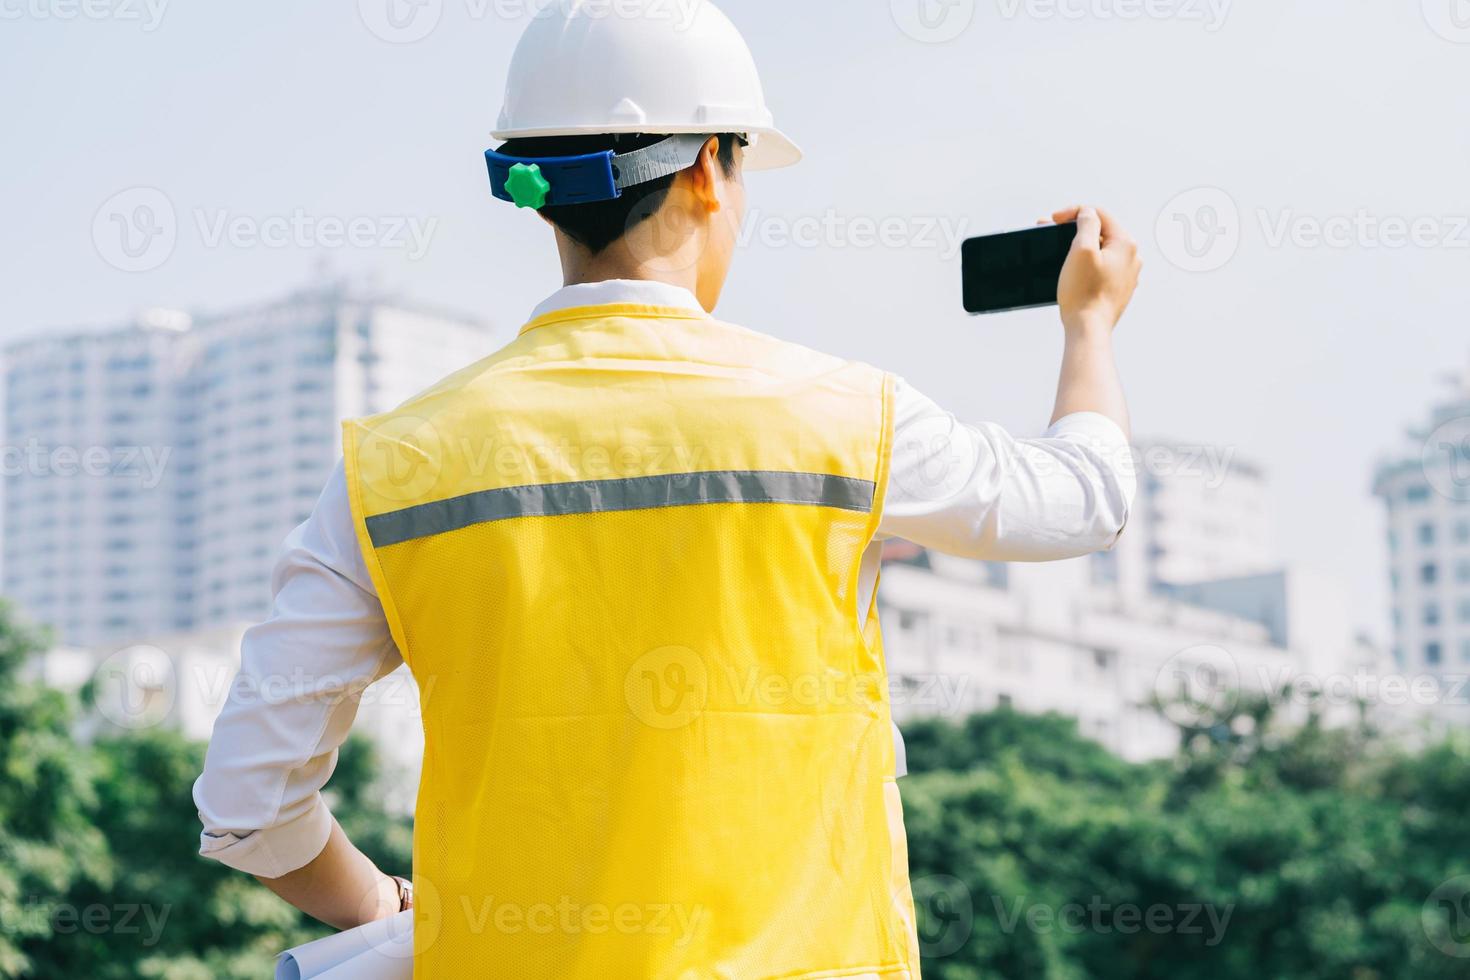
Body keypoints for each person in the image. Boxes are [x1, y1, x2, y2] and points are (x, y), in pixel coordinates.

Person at [194, 2, 1140, 976]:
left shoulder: (395, 465)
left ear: (533, 188)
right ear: (704, 169)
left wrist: (392, 907)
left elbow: (249, 804)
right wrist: (1090, 324)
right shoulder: (840, 414)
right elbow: (1088, 496)